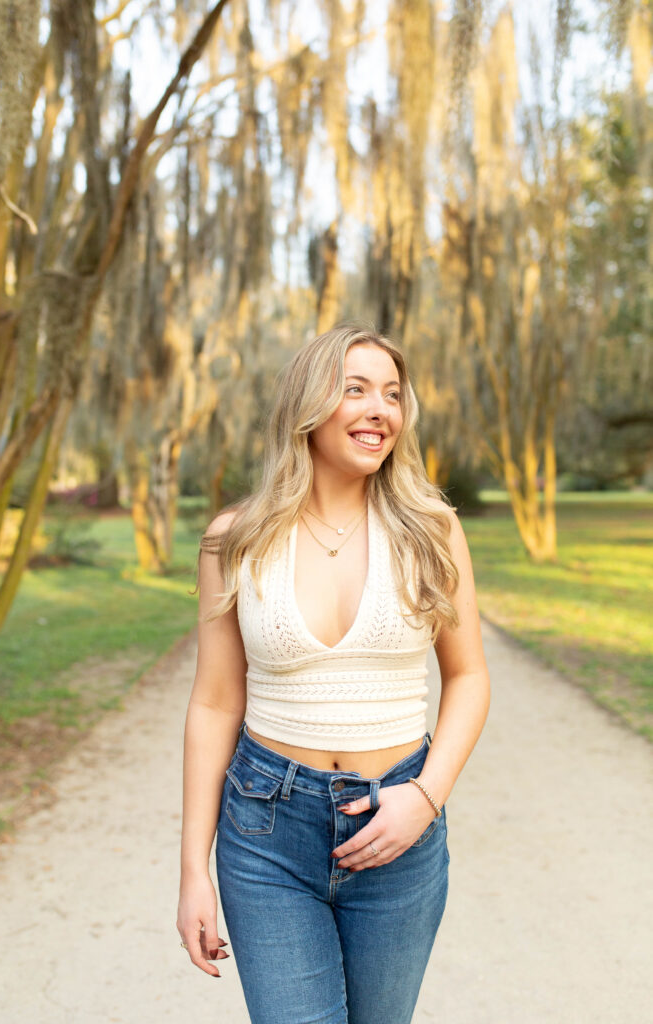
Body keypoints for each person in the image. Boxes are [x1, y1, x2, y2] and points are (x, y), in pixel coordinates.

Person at [177, 323, 490, 1024]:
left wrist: (425, 797)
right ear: (306, 406)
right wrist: (193, 869)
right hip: (266, 834)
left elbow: (467, 677)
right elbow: (214, 704)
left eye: (391, 394)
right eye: (355, 390)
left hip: (398, 828)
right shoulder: (236, 538)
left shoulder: (431, 529)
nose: (378, 409)